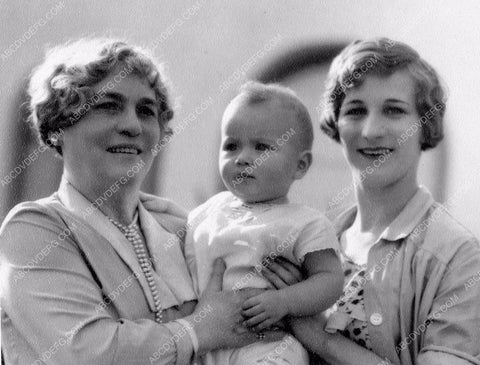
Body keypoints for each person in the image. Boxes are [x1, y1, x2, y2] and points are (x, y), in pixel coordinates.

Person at [0, 38, 286, 365]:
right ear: (59, 125)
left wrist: (284, 292)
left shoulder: (184, 228)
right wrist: (200, 330)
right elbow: (87, 353)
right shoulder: (34, 229)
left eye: (146, 111)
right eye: (109, 105)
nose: (132, 126)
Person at [260, 37, 480, 365]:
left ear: (425, 125)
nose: (371, 130)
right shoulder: (312, 244)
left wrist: (321, 338)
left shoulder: (458, 257)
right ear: (336, 124)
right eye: (355, 110)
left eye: (393, 110)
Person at [185, 81, 344, 365]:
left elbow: (330, 281)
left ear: (300, 165)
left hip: (267, 344)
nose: (243, 158)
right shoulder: (207, 212)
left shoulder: (305, 223)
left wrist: (285, 302)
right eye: (231, 146)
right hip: (206, 345)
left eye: (262, 147)